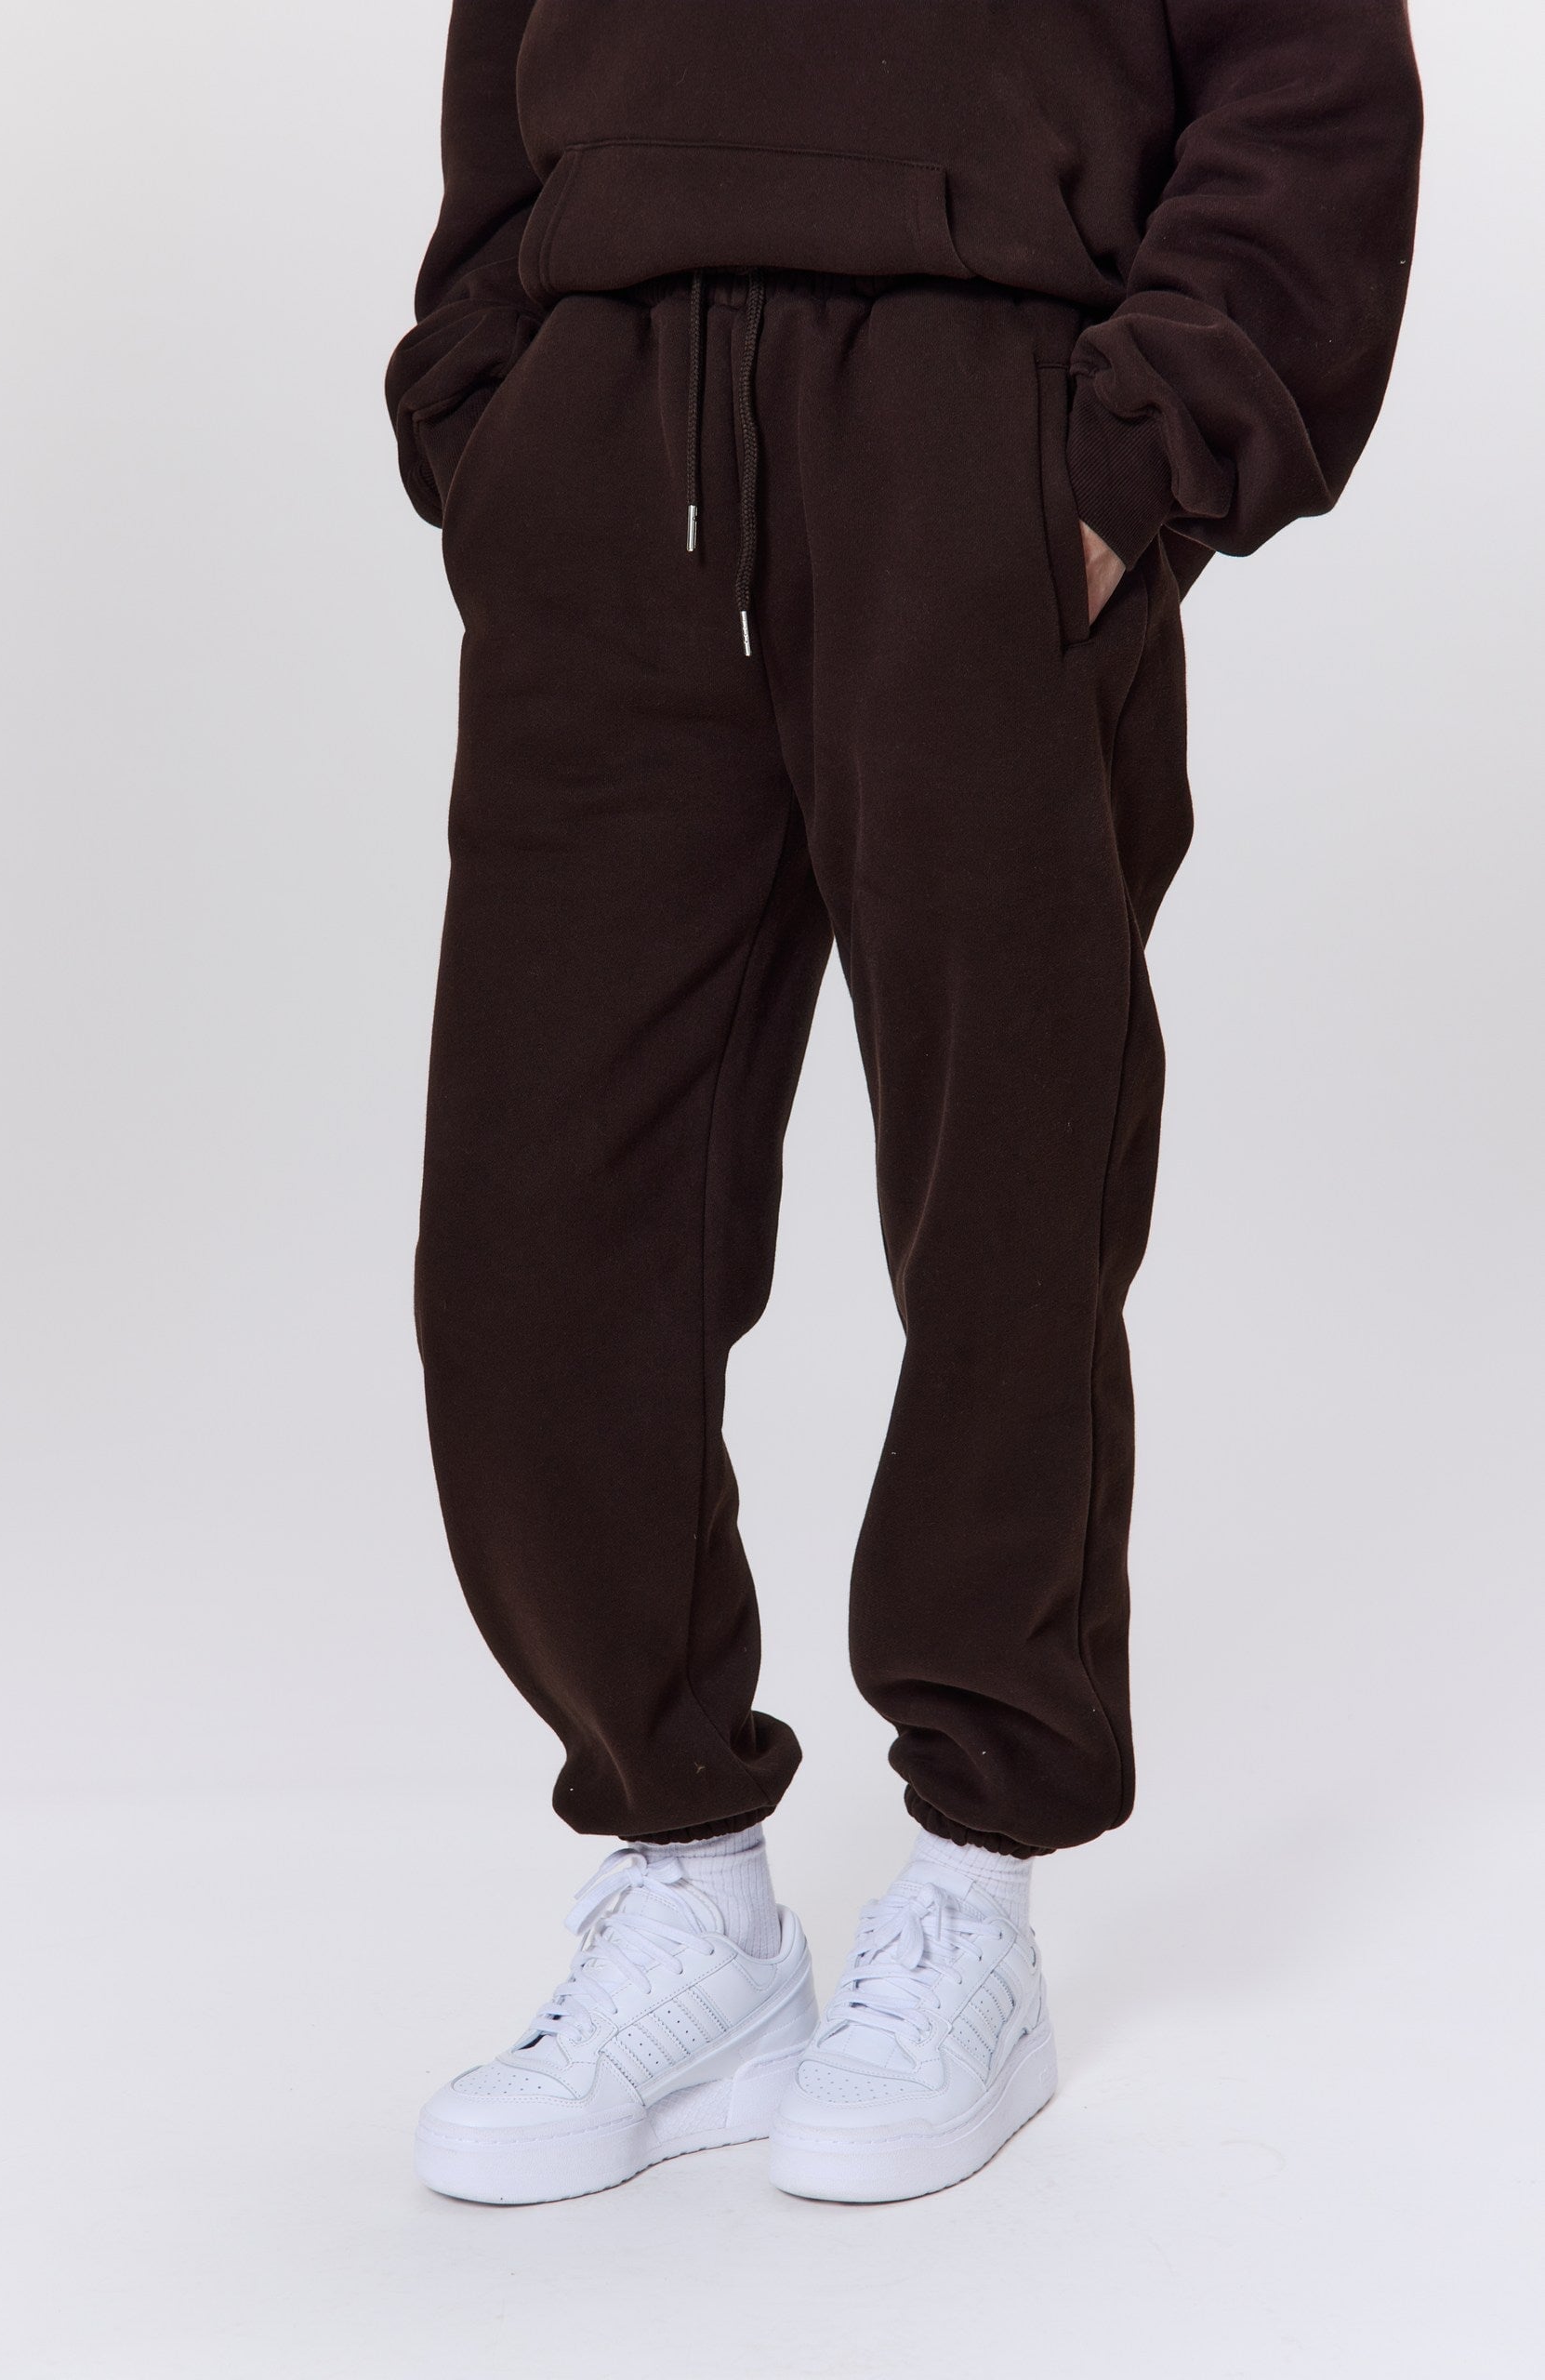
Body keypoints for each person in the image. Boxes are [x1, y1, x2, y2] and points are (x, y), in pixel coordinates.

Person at [385, 1, 1422, 2207]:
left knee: (1003, 1194)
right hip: (610, 432)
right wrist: (495, 402)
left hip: (978, 427)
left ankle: (971, 1875)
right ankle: (685, 1887)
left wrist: (1122, 468)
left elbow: (1309, 75)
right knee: (535, 1218)